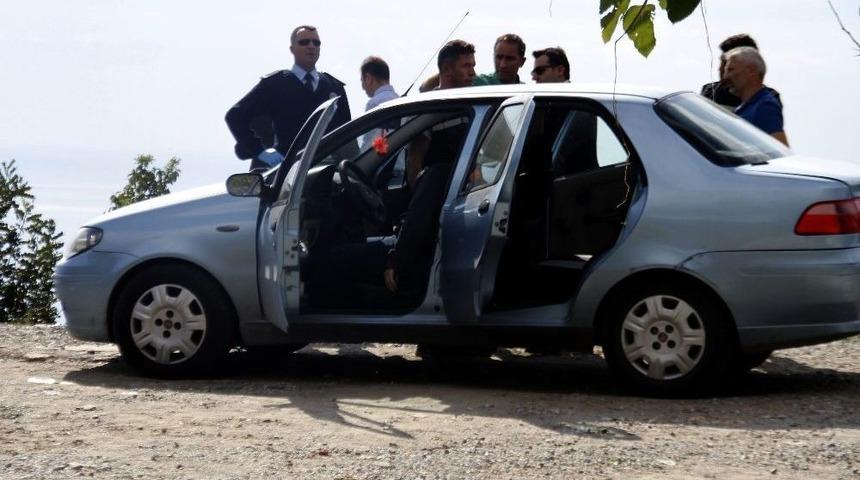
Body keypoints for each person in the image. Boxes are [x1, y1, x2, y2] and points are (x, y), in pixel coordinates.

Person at [225, 25, 352, 170]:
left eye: (316, 43)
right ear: (292, 49)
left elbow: (347, 132)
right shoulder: (275, 84)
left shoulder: (333, 86)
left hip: (327, 170)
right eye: (304, 42)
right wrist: (260, 151)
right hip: (289, 173)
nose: (311, 46)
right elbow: (235, 115)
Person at [722, 46, 789, 146]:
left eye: (730, 70)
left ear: (751, 71)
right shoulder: (745, 108)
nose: (725, 76)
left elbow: (780, 151)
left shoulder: (765, 106)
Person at [700, 34, 781, 108]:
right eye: (722, 62)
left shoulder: (767, 100)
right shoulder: (710, 92)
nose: (721, 69)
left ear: (749, 68)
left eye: (727, 63)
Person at [419, 33, 523, 90]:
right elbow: (425, 88)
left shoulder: (526, 92)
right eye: (499, 57)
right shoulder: (480, 82)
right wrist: (450, 70)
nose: (503, 64)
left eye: (510, 59)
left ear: (522, 62)